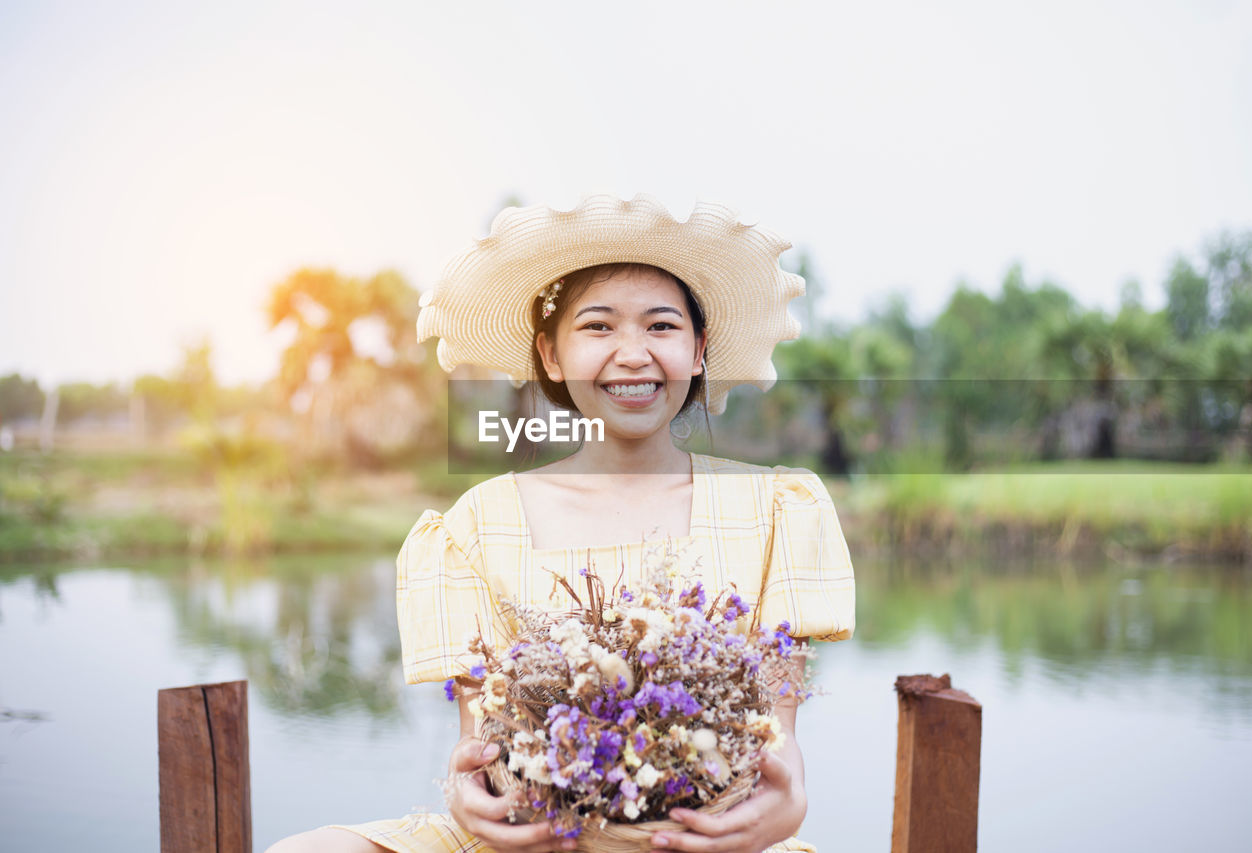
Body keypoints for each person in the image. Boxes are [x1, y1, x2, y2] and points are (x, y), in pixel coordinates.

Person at [268, 195, 855, 853]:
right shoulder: (477, 525)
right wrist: (473, 798)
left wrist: (783, 802)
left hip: (705, 843)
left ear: (699, 351)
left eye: (661, 327)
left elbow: (781, 748)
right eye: (597, 327)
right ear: (549, 354)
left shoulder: (776, 509)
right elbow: (481, 745)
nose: (632, 354)